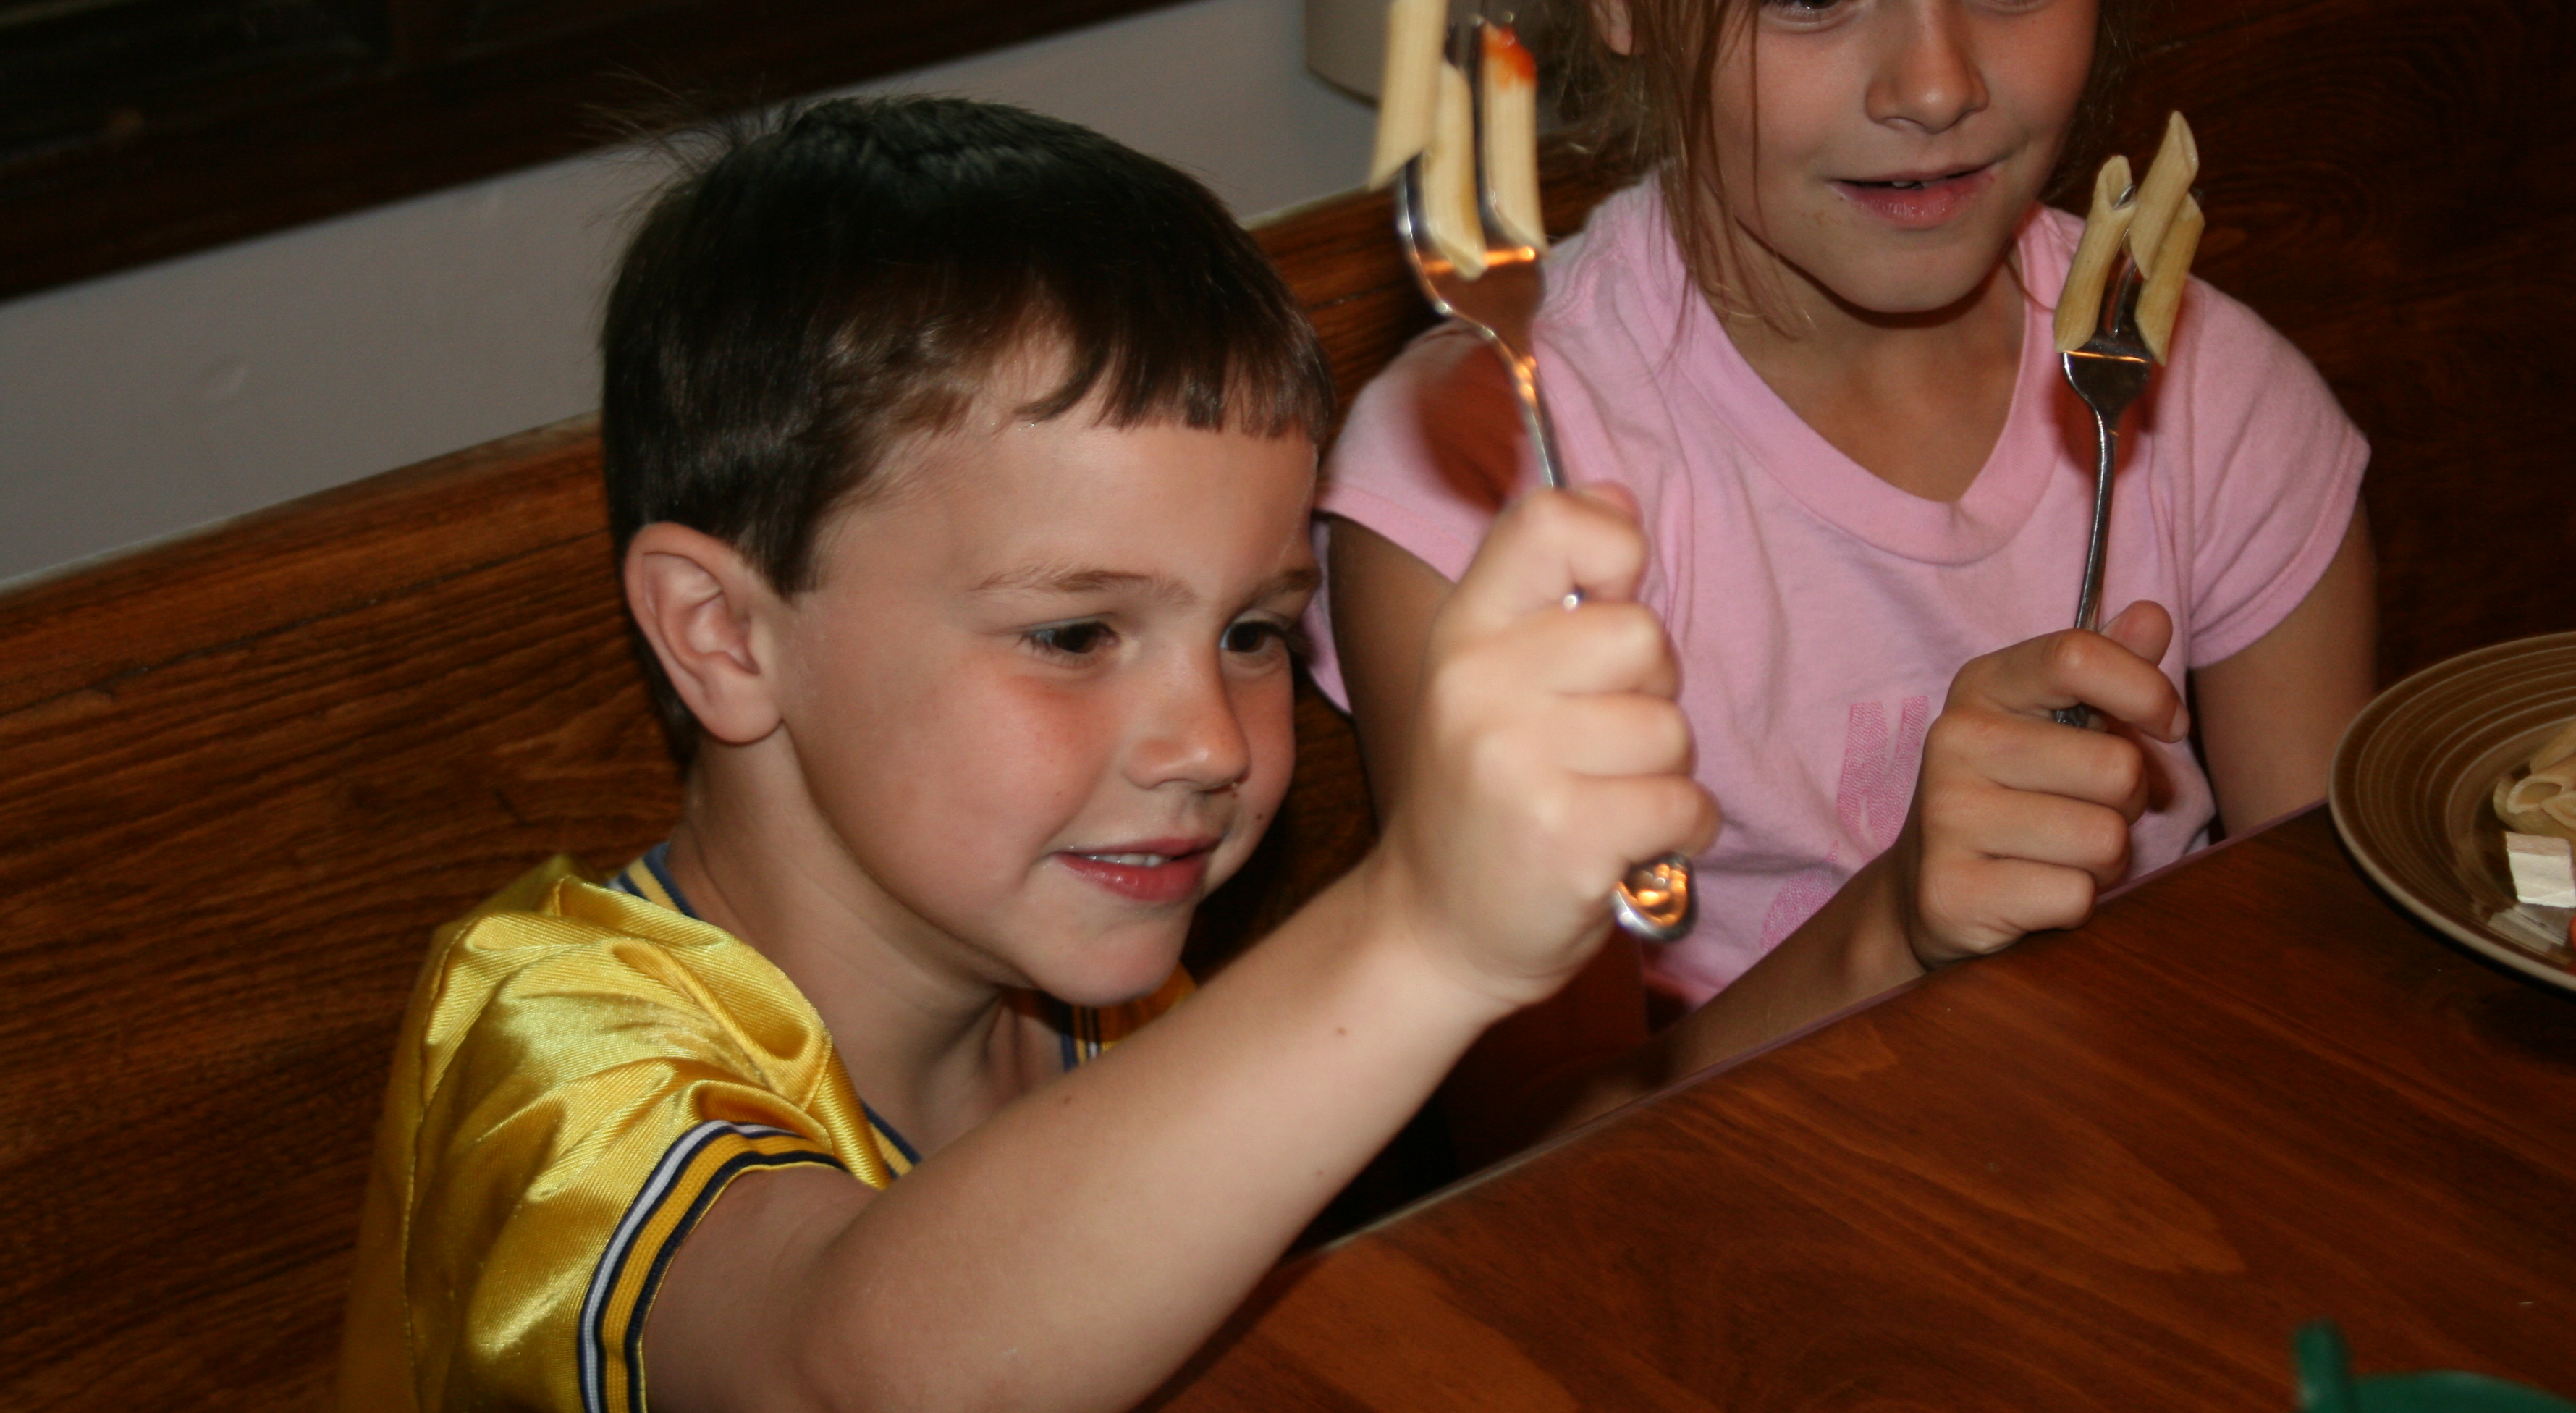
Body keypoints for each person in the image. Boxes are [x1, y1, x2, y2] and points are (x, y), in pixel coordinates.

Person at [336, 96, 1716, 1413]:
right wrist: (1422, 935)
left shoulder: (1095, 986)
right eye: (1073, 635)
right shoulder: (554, 1050)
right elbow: (846, 1374)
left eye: (1251, 632)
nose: (1209, 744)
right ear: (725, 635)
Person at [1315, 0, 2376, 1156]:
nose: (1936, 83)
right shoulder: (1476, 487)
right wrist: (1893, 927)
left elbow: (2328, 996)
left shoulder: (2213, 410)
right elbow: (1535, 1161)